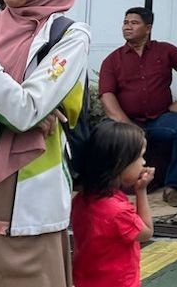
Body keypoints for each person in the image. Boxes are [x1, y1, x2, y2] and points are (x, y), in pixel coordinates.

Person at [0, 0, 91, 287]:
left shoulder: (69, 36)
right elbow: (27, 108)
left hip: (28, 188)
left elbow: (25, 110)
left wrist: (31, 111)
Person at [99, 7, 177, 207]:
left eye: (134, 23)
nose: (128, 27)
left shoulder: (165, 50)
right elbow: (106, 95)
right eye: (126, 22)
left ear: (148, 28)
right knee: (100, 132)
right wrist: (127, 125)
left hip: (161, 120)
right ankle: (104, 185)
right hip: (128, 121)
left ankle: (174, 187)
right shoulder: (113, 60)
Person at [71, 121, 154, 287]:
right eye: (140, 156)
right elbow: (147, 232)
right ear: (120, 163)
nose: (143, 162)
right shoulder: (118, 211)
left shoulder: (81, 199)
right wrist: (141, 191)